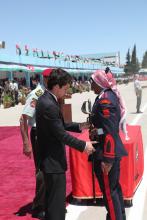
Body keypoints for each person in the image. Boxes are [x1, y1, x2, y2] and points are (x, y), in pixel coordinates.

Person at [35, 68, 96, 220]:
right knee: (56, 208)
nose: (66, 91)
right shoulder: (48, 104)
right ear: (56, 87)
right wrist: (84, 146)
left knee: (52, 205)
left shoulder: (48, 100)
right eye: (65, 88)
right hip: (52, 163)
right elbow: (60, 134)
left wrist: (80, 126)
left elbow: (60, 125)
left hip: (51, 161)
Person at [89, 70, 128, 220]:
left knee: (109, 193)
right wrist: (96, 130)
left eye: (92, 81)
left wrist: (108, 158)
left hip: (106, 152)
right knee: (114, 189)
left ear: (99, 82)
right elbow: (104, 128)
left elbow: (110, 131)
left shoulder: (106, 100)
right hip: (106, 149)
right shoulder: (104, 96)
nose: (90, 84)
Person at [19, 69, 53, 219]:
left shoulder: (49, 92)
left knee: (51, 169)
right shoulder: (37, 94)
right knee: (41, 171)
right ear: (46, 79)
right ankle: (38, 205)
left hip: (49, 135)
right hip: (38, 134)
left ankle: (48, 202)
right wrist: (26, 142)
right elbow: (23, 119)